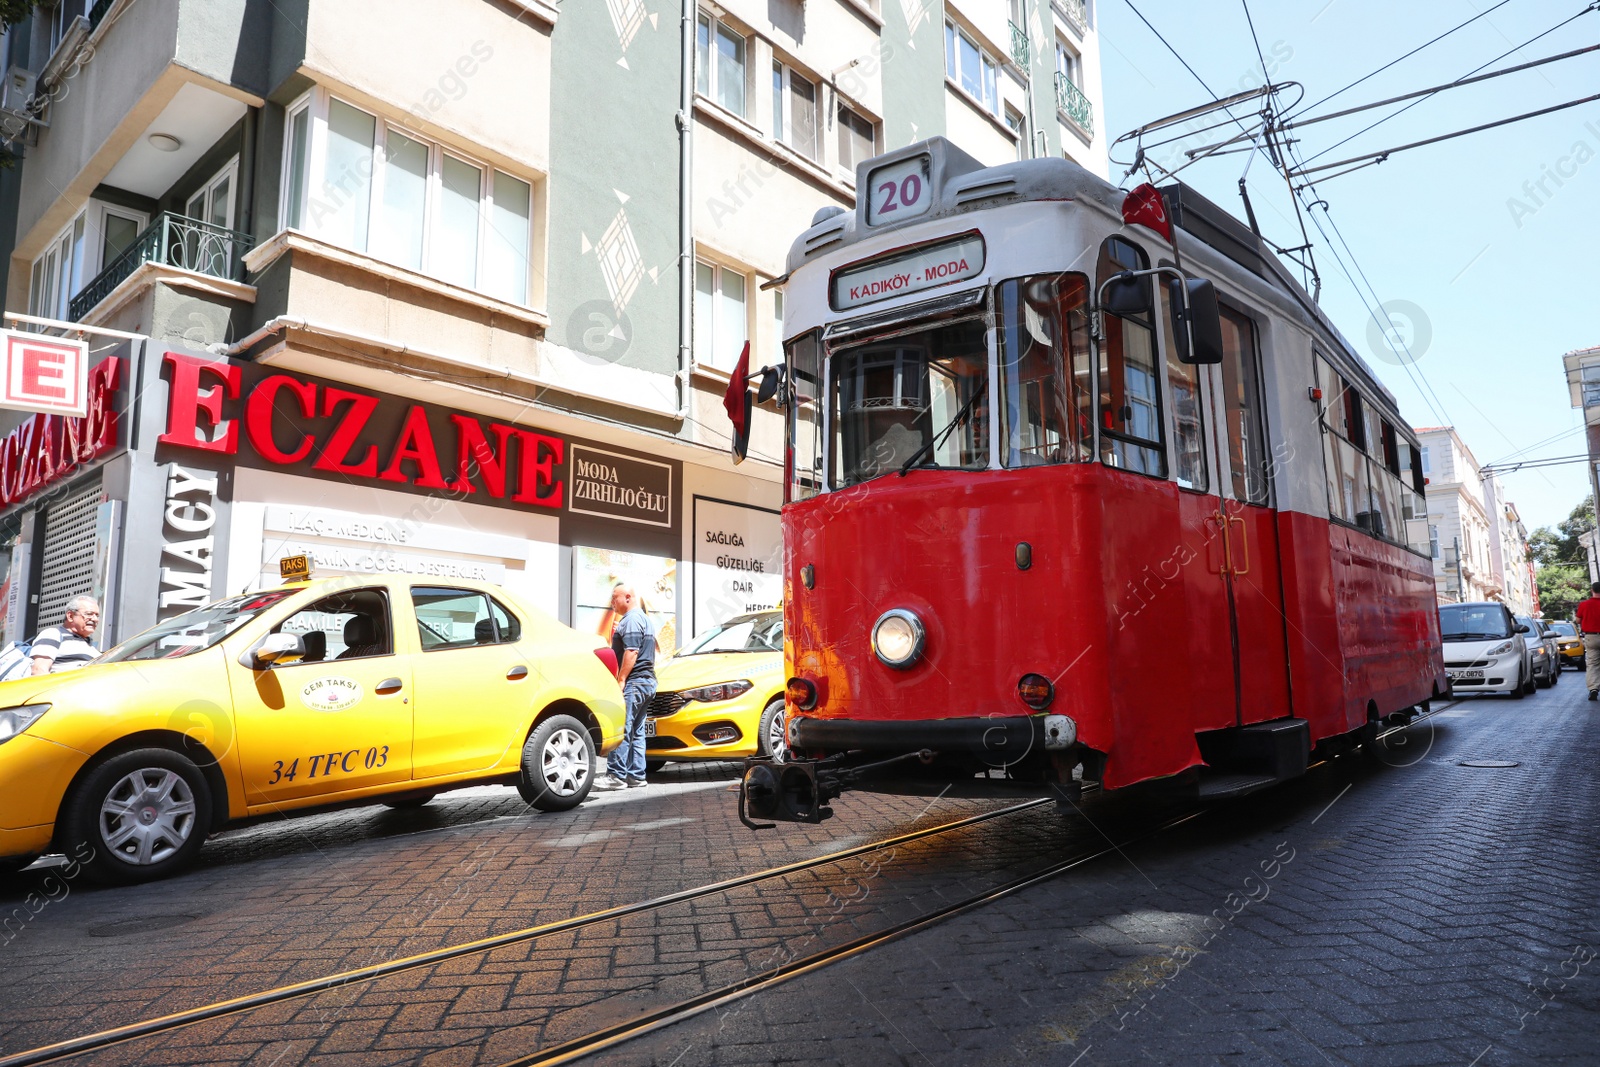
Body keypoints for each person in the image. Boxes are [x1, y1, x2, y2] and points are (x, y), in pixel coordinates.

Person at [593, 582, 657, 790]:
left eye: (615, 597)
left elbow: (631, 652)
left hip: (634, 683)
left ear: (628, 597)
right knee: (637, 730)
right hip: (647, 682)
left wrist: (621, 681)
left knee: (622, 726)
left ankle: (616, 776)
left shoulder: (630, 620)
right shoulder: (644, 620)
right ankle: (636, 775)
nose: (612, 602)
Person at [30, 595, 102, 675]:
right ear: (70, 616)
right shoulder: (53, 634)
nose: (95, 619)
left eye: (97, 615)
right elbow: (38, 670)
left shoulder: (91, 648)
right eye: (89, 614)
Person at [1578, 582, 1600, 700]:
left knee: (1592, 663)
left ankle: (1593, 688)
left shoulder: (1584, 604)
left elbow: (1577, 620)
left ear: (1592, 590)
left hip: (1591, 637)